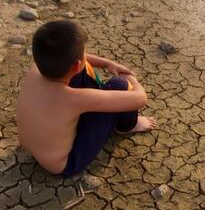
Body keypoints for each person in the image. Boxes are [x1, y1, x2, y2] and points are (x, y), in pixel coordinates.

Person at [17, 20, 156, 177]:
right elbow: (140, 98)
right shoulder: (73, 99)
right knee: (119, 84)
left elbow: (77, 61)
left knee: (76, 70)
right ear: (76, 64)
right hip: (65, 164)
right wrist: (131, 78)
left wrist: (107, 64)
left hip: (33, 147)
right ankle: (127, 125)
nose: (86, 55)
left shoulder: (36, 69)